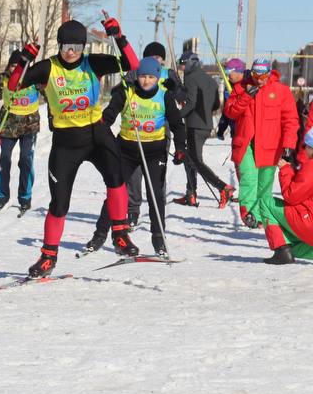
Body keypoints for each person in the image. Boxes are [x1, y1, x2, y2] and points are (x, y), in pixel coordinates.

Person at [5, 15, 140, 276]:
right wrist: (25, 58)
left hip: (97, 134)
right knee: (59, 203)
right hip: (66, 142)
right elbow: (14, 85)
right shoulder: (48, 68)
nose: (71, 52)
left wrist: (119, 37)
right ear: (59, 45)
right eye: (67, 46)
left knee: (116, 178)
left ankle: (120, 235)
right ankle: (48, 257)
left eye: (77, 47)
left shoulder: (92, 63)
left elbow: (132, 65)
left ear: (83, 47)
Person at [84, 57, 187, 258]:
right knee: (116, 192)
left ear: (157, 78)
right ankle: (100, 235)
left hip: (154, 152)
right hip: (126, 151)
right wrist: (98, 134)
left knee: (155, 194)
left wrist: (180, 147)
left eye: (151, 77)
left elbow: (177, 125)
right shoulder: (126, 92)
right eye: (143, 76)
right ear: (137, 76)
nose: (146, 81)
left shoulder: (165, 95)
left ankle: (158, 238)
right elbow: (109, 116)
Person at [224, 57, 298, 261]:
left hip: (271, 147)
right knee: (249, 178)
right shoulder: (242, 88)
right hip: (246, 144)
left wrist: (289, 145)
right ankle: (249, 212)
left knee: (265, 188)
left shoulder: (281, 91)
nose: (260, 79)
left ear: (269, 73)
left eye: (263, 75)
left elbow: (291, 120)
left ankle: (262, 219)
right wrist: (246, 96)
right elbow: (230, 111)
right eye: (256, 75)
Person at [176, 52, 233, 208]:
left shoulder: (190, 77)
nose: (181, 67)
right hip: (206, 125)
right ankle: (191, 194)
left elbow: (191, 103)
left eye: (183, 63)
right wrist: (205, 110)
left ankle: (223, 187)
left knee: (196, 161)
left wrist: (176, 115)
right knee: (190, 158)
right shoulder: (210, 79)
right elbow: (216, 105)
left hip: (195, 125)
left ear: (190, 63)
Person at [0, 55, 41, 215]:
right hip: (8, 125)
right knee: (4, 158)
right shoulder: (3, 79)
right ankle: (2, 196)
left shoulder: (34, 78)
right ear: (9, 67)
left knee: (26, 159)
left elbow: (50, 94)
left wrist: (53, 116)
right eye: (13, 66)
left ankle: (25, 197)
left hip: (29, 126)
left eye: (19, 66)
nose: (16, 69)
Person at [264, 128, 313, 263]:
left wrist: (285, 169)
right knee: (294, 249)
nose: (304, 149)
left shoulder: (311, 167)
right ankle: (287, 250)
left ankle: (281, 250)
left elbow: (291, 196)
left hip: (308, 222)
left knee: (264, 202)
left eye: (306, 146)